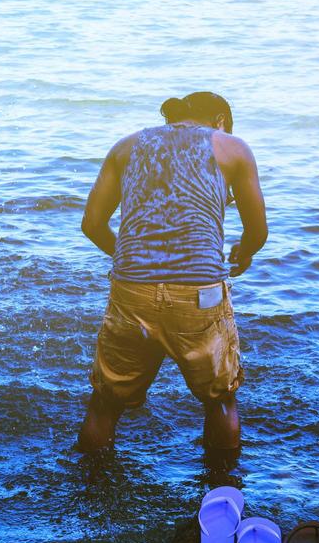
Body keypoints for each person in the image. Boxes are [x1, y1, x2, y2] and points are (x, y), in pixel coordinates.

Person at [75, 91, 267, 471]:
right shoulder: (231, 147)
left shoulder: (127, 146)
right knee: (221, 399)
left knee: (105, 402)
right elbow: (257, 230)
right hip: (200, 295)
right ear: (220, 120)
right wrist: (243, 254)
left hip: (131, 290)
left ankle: (91, 490)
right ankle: (221, 490)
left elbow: (92, 225)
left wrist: (134, 262)